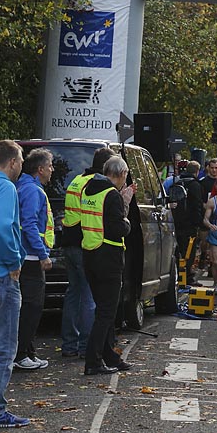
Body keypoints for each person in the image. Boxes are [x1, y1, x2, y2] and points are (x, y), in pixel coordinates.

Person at [0, 141, 28, 427]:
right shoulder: (5, 188)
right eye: (21, 161)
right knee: (4, 348)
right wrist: (13, 262)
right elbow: (0, 227)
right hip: (0, 275)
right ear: (12, 162)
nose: (22, 166)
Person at [80, 155, 135, 376]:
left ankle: (109, 355)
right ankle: (92, 361)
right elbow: (118, 228)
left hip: (90, 254)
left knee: (102, 309)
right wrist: (127, 218)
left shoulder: (88, 189)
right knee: (106, 312)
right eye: (125, 176)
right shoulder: (112, 195)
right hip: (109, 257)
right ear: (121, 174)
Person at [60, 148, 114, 359]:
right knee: (89, 296)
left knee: (73, 294)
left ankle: (69, 345)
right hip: (85, 244)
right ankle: (85, 346)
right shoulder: (96, 184)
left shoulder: (77, 179)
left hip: (69, 242)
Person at [13, 148, 54, 371]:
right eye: (49, 166)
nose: (52, 170)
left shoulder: (25, 186)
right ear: (40, 169)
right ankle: (21, 355)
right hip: (30, 257)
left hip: (26, 255)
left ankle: (27, 352)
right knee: (32, 307)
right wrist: (42, 254)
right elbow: (28, 223)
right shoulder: (32, 191)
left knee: (29, 306)